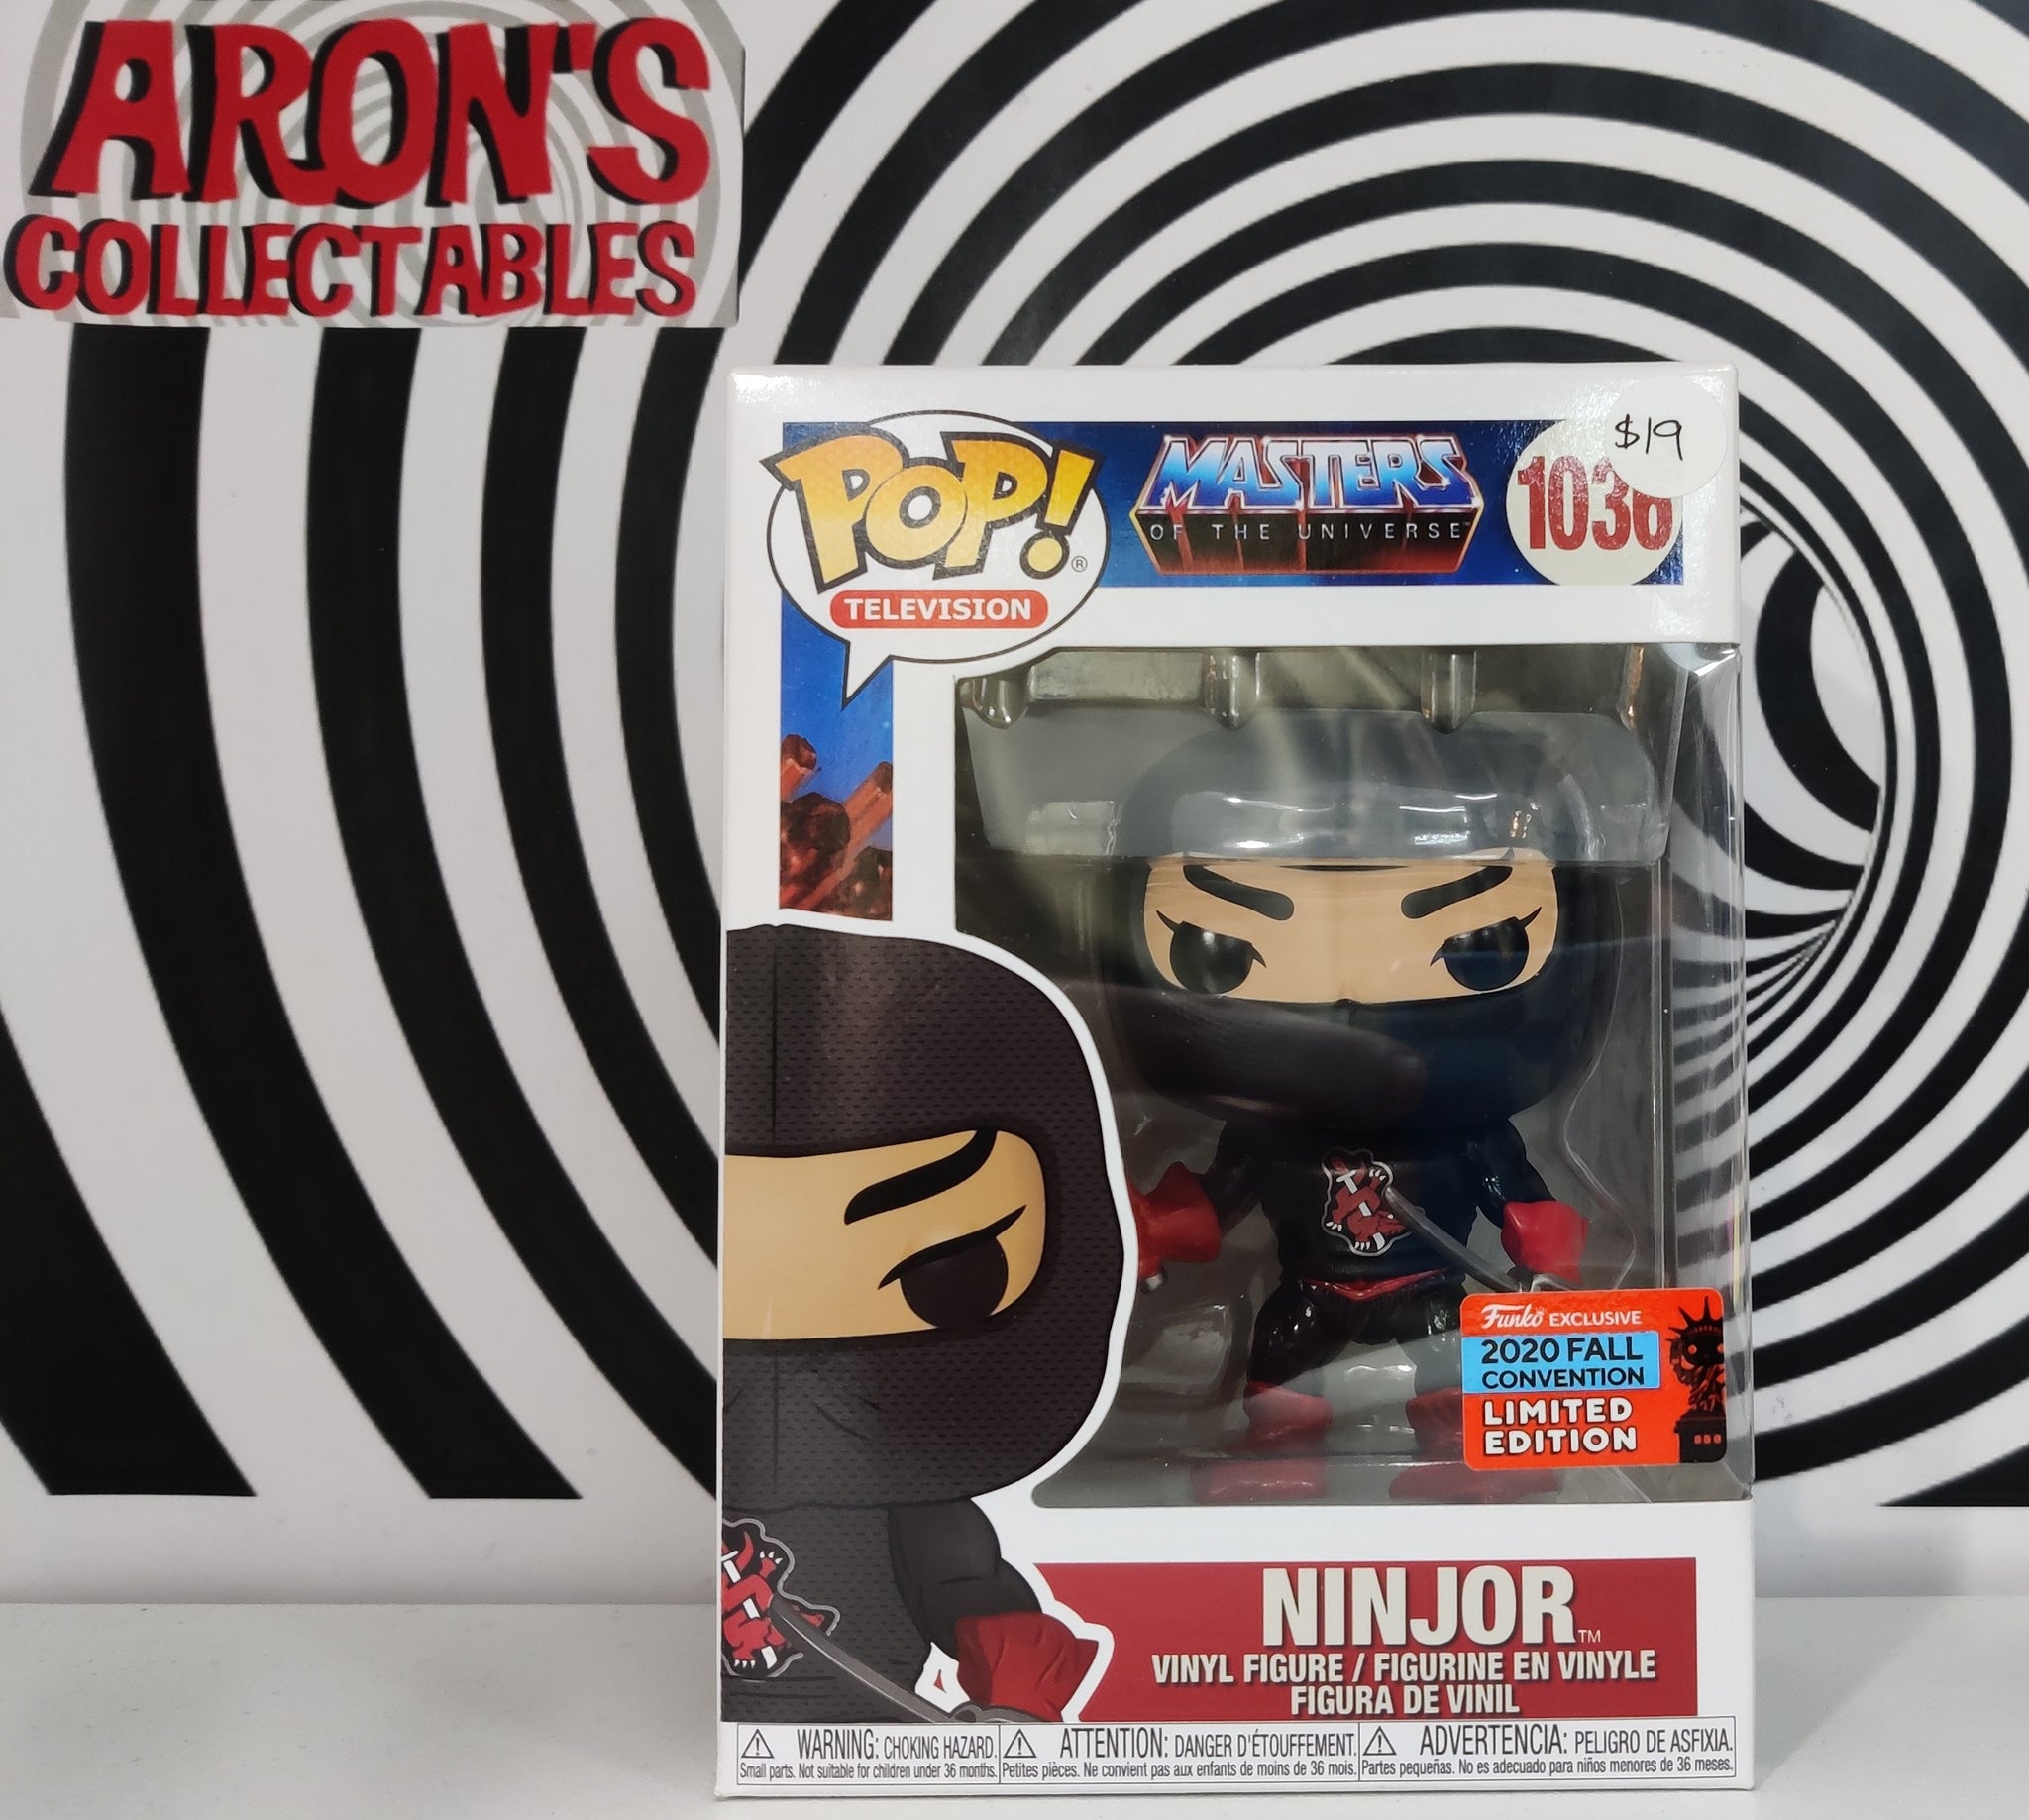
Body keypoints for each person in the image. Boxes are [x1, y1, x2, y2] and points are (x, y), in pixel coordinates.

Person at [1104, 709, 1615, 1501]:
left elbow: (1519, 1198)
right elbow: (1217, 1198)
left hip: (1429, 1284)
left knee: (1452, 1360)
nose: (1352, 1004)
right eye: (1220, 950)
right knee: (1280, 1355)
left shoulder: (1468, 1131)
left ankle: (1466, 1453)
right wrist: (1154, 1224)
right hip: (1314, 1285)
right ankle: (1280, 1457)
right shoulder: (1266, 1132)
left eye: (1481, 946)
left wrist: (1548, 1247)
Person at [720, 923, 1121, 1721]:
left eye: (950, 1272)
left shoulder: (902, 1485)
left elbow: (964, 1584)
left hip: (874, 1737)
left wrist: (1012, 1666)